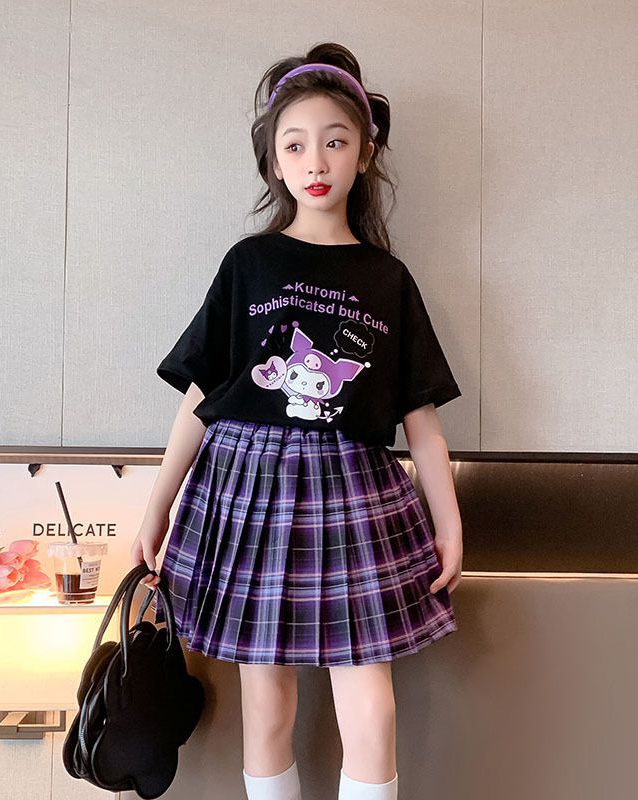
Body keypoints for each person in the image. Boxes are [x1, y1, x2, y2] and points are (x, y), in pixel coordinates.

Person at [130, 41, 464, 800]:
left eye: (336, 141)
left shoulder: (388, 277)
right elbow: (201, 394)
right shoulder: (248, 263)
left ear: (365, 154)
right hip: (245, 488)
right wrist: (157, 503)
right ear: (274, 162)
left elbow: (422, 418)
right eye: (295, 144)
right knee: (265, 701)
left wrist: (449, 522)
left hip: (351, 493)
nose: (316, 161)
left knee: (371, 707)